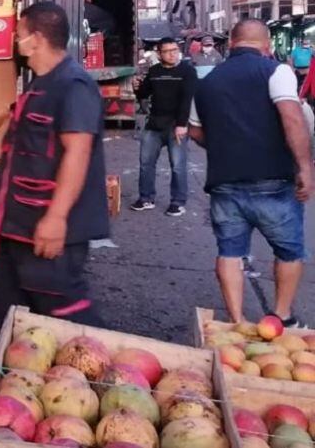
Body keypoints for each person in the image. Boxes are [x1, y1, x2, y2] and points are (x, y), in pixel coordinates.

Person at [0, 1, 108, 339]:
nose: (15, 40)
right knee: (6, 313)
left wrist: (56, 217)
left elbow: (78, 152)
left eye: (19, 34)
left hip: (47, 231)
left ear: (36, 38)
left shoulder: (74, 86)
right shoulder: (40, 84)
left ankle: (110, 377)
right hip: (17, 229)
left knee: (66, 314)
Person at [189, 19, 312, 326]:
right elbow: (292, 118)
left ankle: (237, 320)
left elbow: (194, 131)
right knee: (288, 250)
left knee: (230, 252)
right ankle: (281, 316)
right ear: (267, 45)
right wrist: (305, 166)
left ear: (230, 44)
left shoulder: (206, 81)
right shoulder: (276, 71)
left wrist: (224, 147)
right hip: (273, 181)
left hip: (225, 183)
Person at [130, 38, 198, 216]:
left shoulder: (187, 71)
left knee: (177, 165)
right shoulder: (154, 71)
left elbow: (187, 99)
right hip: (154, 124)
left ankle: (178, 202)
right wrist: (136, 87)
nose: (172, 53)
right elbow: (144, 94)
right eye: (167, 51)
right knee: (146, 163)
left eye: (175, 50)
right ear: (159, 54)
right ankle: (146, 198)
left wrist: (182, 125)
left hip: (176, 125)